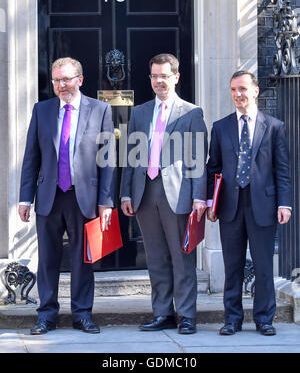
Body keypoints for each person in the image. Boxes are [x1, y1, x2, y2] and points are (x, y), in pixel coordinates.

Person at [18, 57, 115, 335]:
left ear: (80, 80)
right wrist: (25, 198)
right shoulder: (42, 110)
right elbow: (31, 158)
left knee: (82, 259)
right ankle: (46, 315)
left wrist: (106, 201)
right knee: (47, 258)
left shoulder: (100, 110)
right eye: (57, 80)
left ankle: (82, 314)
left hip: (83, 197)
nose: (62, 85)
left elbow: (107, 160)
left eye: (67, 79)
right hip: (49, 195)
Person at [120, 53, 207, 334]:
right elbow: (131, 158)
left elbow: (198, 158)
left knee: (182, 258)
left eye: (164, 76)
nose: (159, 81)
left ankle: (186, 316)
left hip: (179, 193)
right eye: (155, 76)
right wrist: (125, 194)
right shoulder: (140, 112)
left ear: (176, 77)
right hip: (145, 193)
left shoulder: (192, 112)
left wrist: (199, 197)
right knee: (155, 257)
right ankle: (162, 313)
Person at [206, 70, 292, 336]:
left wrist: (284, 203)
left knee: (264, 264)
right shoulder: (221, 127)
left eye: (242, 89)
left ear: (255, 91)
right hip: (230, 206)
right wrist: (211, 202)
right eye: (233, 90)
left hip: (263, 206)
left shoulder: (274, 126)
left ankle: (264, 319)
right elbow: (214, 168)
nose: (237, 95)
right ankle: (232, 319)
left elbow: (283, 169)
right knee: (233, 266)